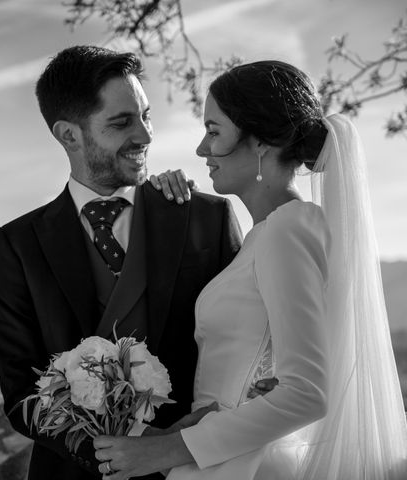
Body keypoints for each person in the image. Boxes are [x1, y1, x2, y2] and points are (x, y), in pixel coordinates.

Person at [93, 60, 407, 479]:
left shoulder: (287, 229)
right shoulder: (269, 233)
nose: (202, 149)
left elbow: (307, 394)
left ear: (259, 142)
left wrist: (167, 450)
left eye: (214, 130)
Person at [0, 45, 243, 480]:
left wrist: (179, 447)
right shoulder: (19, 244)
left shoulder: (205, 217)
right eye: (122, 122)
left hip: (198, 470)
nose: (145, 136)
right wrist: (116, 452)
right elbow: (21, 396)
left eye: (146, 116)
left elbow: (247, 347)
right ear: (69, 135)